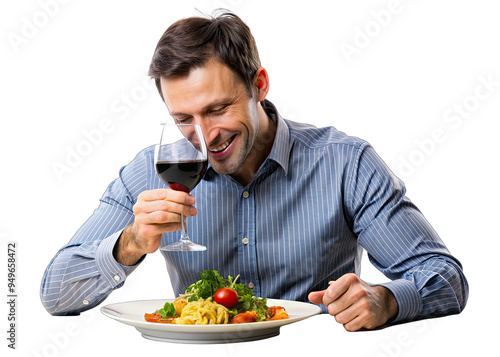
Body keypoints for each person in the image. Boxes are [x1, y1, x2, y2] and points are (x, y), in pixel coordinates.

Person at [40, 11, 468, 331]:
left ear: (259, 85)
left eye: (217, 109)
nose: (204, 136)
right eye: (183, 118)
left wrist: (387, 299)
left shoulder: (346, 163)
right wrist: (128, 244)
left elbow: (446, 277)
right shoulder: (149, 172)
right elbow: (54, 293)